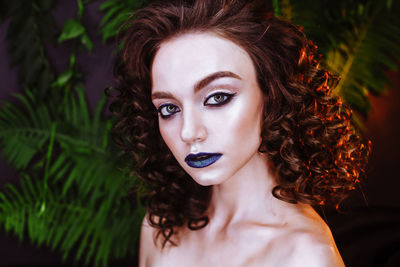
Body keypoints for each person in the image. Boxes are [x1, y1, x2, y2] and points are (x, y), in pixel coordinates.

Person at [111, 0, 371, 266]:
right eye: (168, 108)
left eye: (217, 97)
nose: (189, 132)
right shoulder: (160, 226)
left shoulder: (305, 254)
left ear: (271, 93)